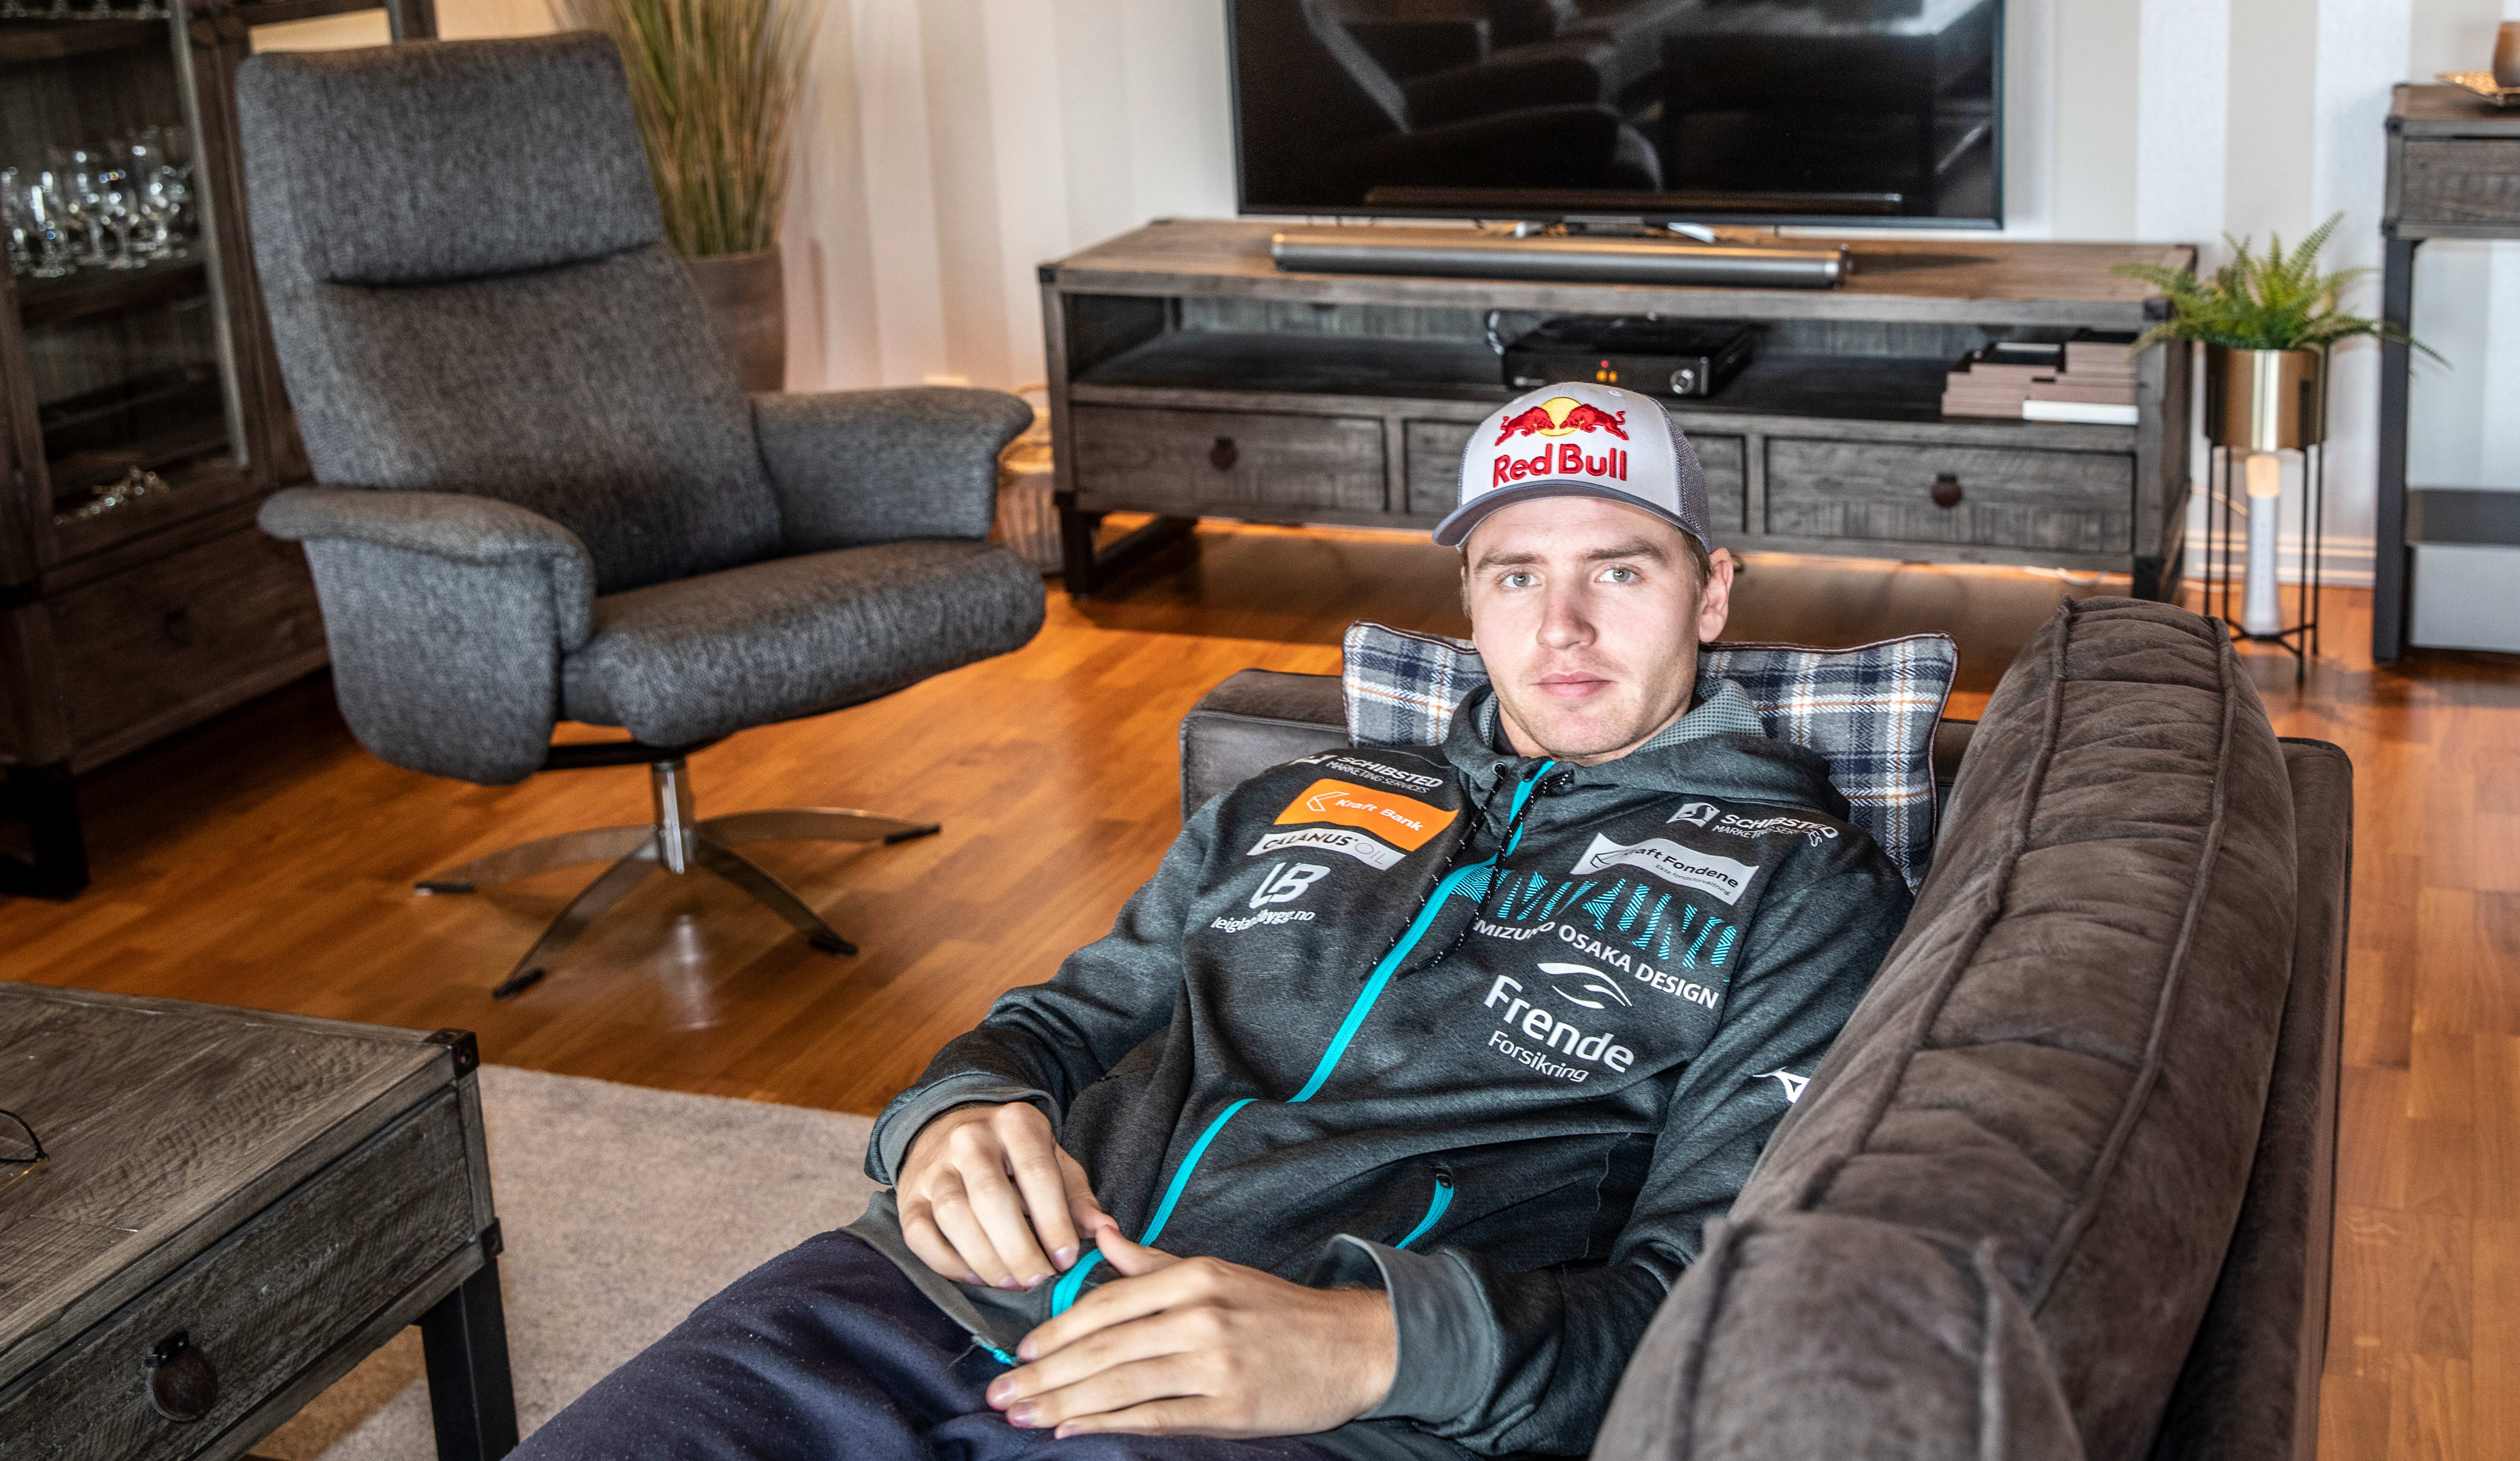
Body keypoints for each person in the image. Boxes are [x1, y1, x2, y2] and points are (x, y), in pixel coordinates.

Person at [514, 383, 1913, 1461]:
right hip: (938, 1297)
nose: (1561, 630)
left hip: (1311, 1412)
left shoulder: (1806, 883)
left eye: (1619, 569)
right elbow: (1066, 1021)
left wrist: (1371, 1349)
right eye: (1514, 574)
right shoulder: (1306, 793)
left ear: (1711, 593)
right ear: (1467, 602)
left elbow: (1714, 1294)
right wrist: (952, 1112)